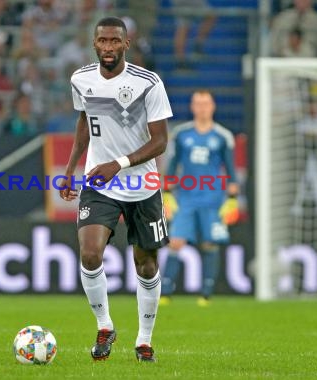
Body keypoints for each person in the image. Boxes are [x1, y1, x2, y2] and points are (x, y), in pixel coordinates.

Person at [60, 17, 173, 363]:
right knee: (90, 253)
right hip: (99, 184)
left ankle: (144, 340)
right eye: (102, 41)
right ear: (94, 44)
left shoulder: (148, 83)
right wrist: (70, 168)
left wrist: (119, 164)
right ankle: (105, 326)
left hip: (142, 185)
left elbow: (160, 142)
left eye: (114, 41)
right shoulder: (81, 79)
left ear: (126, 44)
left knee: (146, 266)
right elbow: (84, 120)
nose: (108, 47)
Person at [159, 90, 239, 307]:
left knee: (210, 243)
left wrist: (232, 199)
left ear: (212, 107)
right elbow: (173, 166)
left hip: (213, 198)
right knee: (175, 242)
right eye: (198, 104)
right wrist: (167, 195)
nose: (202, 108)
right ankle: (165, 292)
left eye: (206, 104)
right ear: (192, 107)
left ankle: (206, 293)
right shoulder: (181, 134)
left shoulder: (223, 136)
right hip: (186, 197)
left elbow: (231, 170)